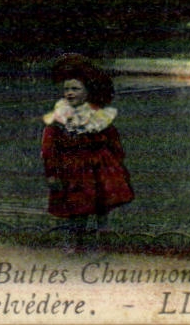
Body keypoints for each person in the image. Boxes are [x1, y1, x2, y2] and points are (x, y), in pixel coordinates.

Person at [41, 54, 134, 252]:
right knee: (76, 210)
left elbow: (114, 144)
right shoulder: (59, 117)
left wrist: (117, 168)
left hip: (98, 169)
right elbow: (49, 148)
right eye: (66, 89)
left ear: (87, 91)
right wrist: (52, 173)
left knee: (102, 209)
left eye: (75, 89)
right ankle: (75, 247)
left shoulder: (99, 116)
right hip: (72, 169)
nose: (70, 93)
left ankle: (104, 246)